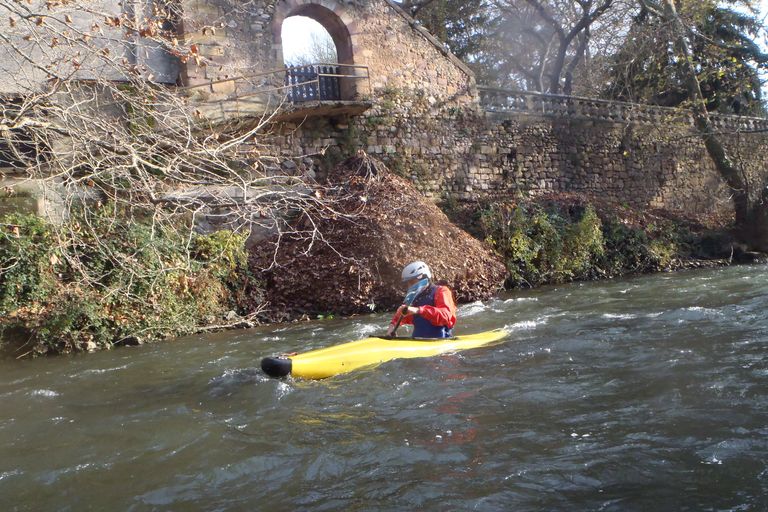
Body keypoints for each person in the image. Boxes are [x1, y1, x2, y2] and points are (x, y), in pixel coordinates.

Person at [386, 261, 457, 338]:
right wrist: (392, 325)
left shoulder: (442, 291)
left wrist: (419, 310)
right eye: (408, 283)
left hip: (441, 340)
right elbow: (402, 316)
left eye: (412, 282)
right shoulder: (413, 297)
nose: (410, 285)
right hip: (418, 340)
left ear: (422, 277)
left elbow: (446, 316)